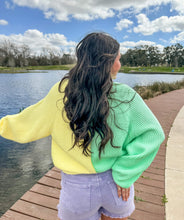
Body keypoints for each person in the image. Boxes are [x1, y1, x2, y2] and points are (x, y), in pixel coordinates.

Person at [0, 32, 165, 220]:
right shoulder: (126, 95)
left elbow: (28, 121)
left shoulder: (61, 92)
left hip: (77, 190)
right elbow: (153, 134)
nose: (120, 64)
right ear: (108, 62)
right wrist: (125, 173)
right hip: (116, 185)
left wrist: (2, 125)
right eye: (119, 59)